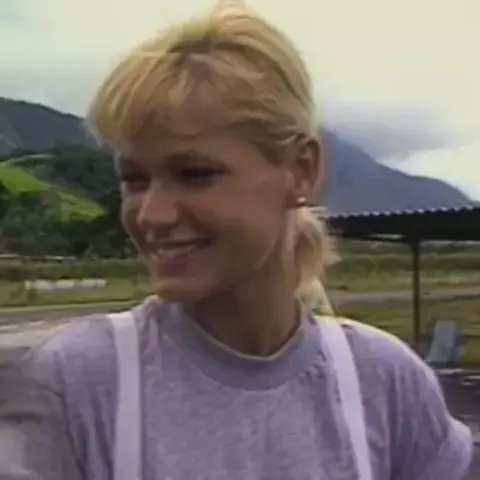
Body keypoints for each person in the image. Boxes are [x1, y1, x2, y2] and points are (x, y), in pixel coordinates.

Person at [0, 3, 473, 480]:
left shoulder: (386, 382)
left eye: (195, 174)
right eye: (135, 179)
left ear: (301, 170)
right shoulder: (76, 385)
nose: (152, 215)